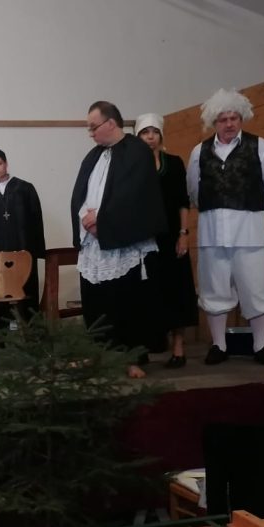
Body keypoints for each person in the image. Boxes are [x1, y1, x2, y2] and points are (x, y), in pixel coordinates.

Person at [187, 88, 264, 366]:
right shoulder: (199, 152)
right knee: (213, 289)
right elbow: (194, 190)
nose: (229, 124)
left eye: (234, 118)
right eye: (223, 119)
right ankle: (219, 345)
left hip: (250, 233)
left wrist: (251, 207)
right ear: (213, 122)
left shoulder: (261, 147)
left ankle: (260, 345)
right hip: (212, 235)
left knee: (257, 288)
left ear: (241, 118)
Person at [71, 101, 166, 378]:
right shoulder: (92, 156)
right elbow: (80, 192)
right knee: (96, 301)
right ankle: (97, 354)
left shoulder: (137, 152)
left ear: (111, 123)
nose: (90, 133)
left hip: (124, 240)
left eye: (93, 127)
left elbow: (134, 196)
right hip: (95, 242)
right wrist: (86, 218)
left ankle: (131, 358)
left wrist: (102, 220)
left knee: (126, 301)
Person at [135, 114, 199, 368]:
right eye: (145, 132)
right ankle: (143, 347)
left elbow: (183, 201)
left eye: (154, 132)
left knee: (177, 289)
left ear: (161, 135)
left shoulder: (174, 163)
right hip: (143, 239)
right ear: (138, 137)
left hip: (172, 236)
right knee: (145, 292)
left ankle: (178, 348)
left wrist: (183, 234)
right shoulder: (133, 167)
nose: (150, 137)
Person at [0, 149, 46, 329]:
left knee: (26, 290)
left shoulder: (25, 189)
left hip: (23, 249)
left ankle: (31, 331)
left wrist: (37, 250)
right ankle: (2, 332)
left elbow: (36, 219)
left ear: (6, 163)